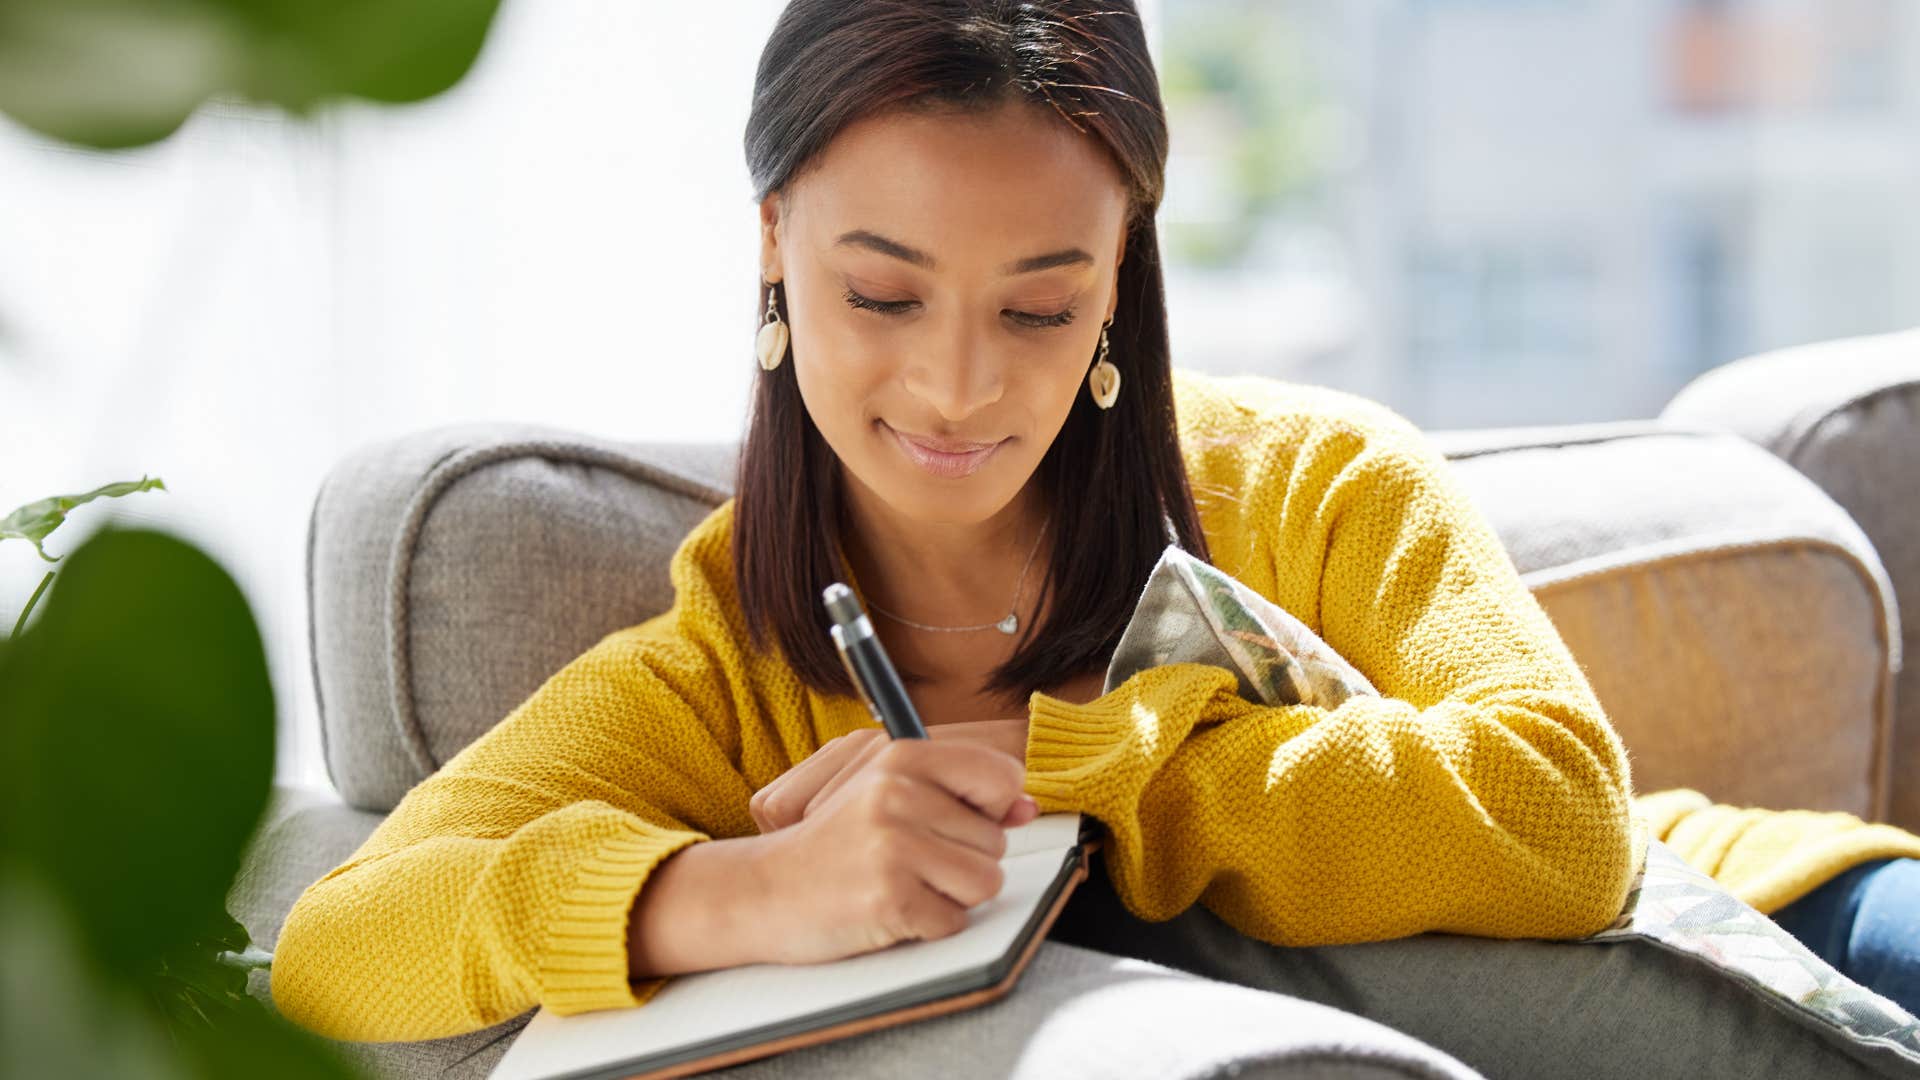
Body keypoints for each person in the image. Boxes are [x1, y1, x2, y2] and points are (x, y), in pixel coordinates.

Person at [270, 0, 1920, 1059]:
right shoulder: (722, 684)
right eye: (882, 293)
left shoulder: (1314, 479)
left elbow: (1567, 821)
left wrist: (1067, 779)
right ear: (772, 243)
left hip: (1774, 933)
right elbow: (335, 949)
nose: (958, 386)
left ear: (1123, 269)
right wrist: (735, 894)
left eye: (1044, 307)